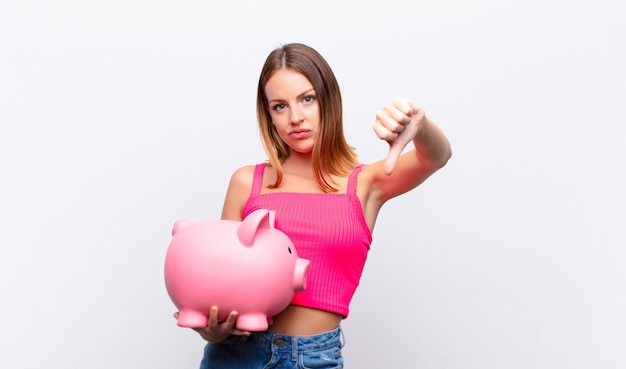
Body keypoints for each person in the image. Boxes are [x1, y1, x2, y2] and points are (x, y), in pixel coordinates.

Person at [178, 42, 452, 368]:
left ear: (328, 101)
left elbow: (437, 156)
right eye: (280, 106)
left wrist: (420, 125)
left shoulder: (366, 184)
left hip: (315, 357)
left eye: (307, 99)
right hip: (238, 356)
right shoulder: (245, 182)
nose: (296, 118)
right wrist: (212, 331)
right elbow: (222, 286)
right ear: (268, 114)